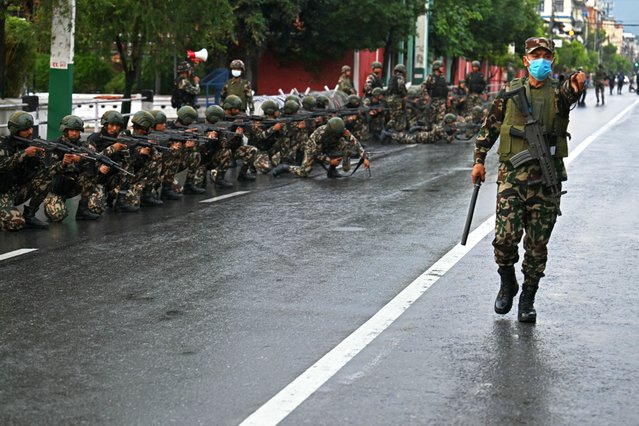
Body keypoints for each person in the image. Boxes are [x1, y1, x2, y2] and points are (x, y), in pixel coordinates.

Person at [471, 36, 585, 323]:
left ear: (552, 60)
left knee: (536, 246)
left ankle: (528, 298)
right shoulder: (509, 93)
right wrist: (479, 161)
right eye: (536, 56)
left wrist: (577, 81)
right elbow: (490, 128)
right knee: (505, 239)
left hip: (546, 183)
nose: (540, 61)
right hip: (512, 179)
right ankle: (507, 282)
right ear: (526, 60)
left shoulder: (559, 94)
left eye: (546, 56)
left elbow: (572, 88)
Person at [271, 117, 369, 178]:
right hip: (313, 149)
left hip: (329, 147)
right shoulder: (319, 134)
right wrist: (329, 161)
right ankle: (284, 168)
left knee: (345, 145)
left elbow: (354, 142)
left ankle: (332, 171)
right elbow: (315, 153)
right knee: (304, 172)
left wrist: (364, 158)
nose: (339, 135)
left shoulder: (341, 130)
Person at [0, 111, 51, 230]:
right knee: (16, 223)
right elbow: (2, 165)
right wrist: (24, 154)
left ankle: (30, 214)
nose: (30, 132)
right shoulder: (3, 145)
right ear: (15, 130)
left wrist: (40, 157)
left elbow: (41, 171)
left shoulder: (28, 144)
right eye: (25, 129)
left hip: (16, 190)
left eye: (30, 128)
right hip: (2, 193)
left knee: (47, 174)